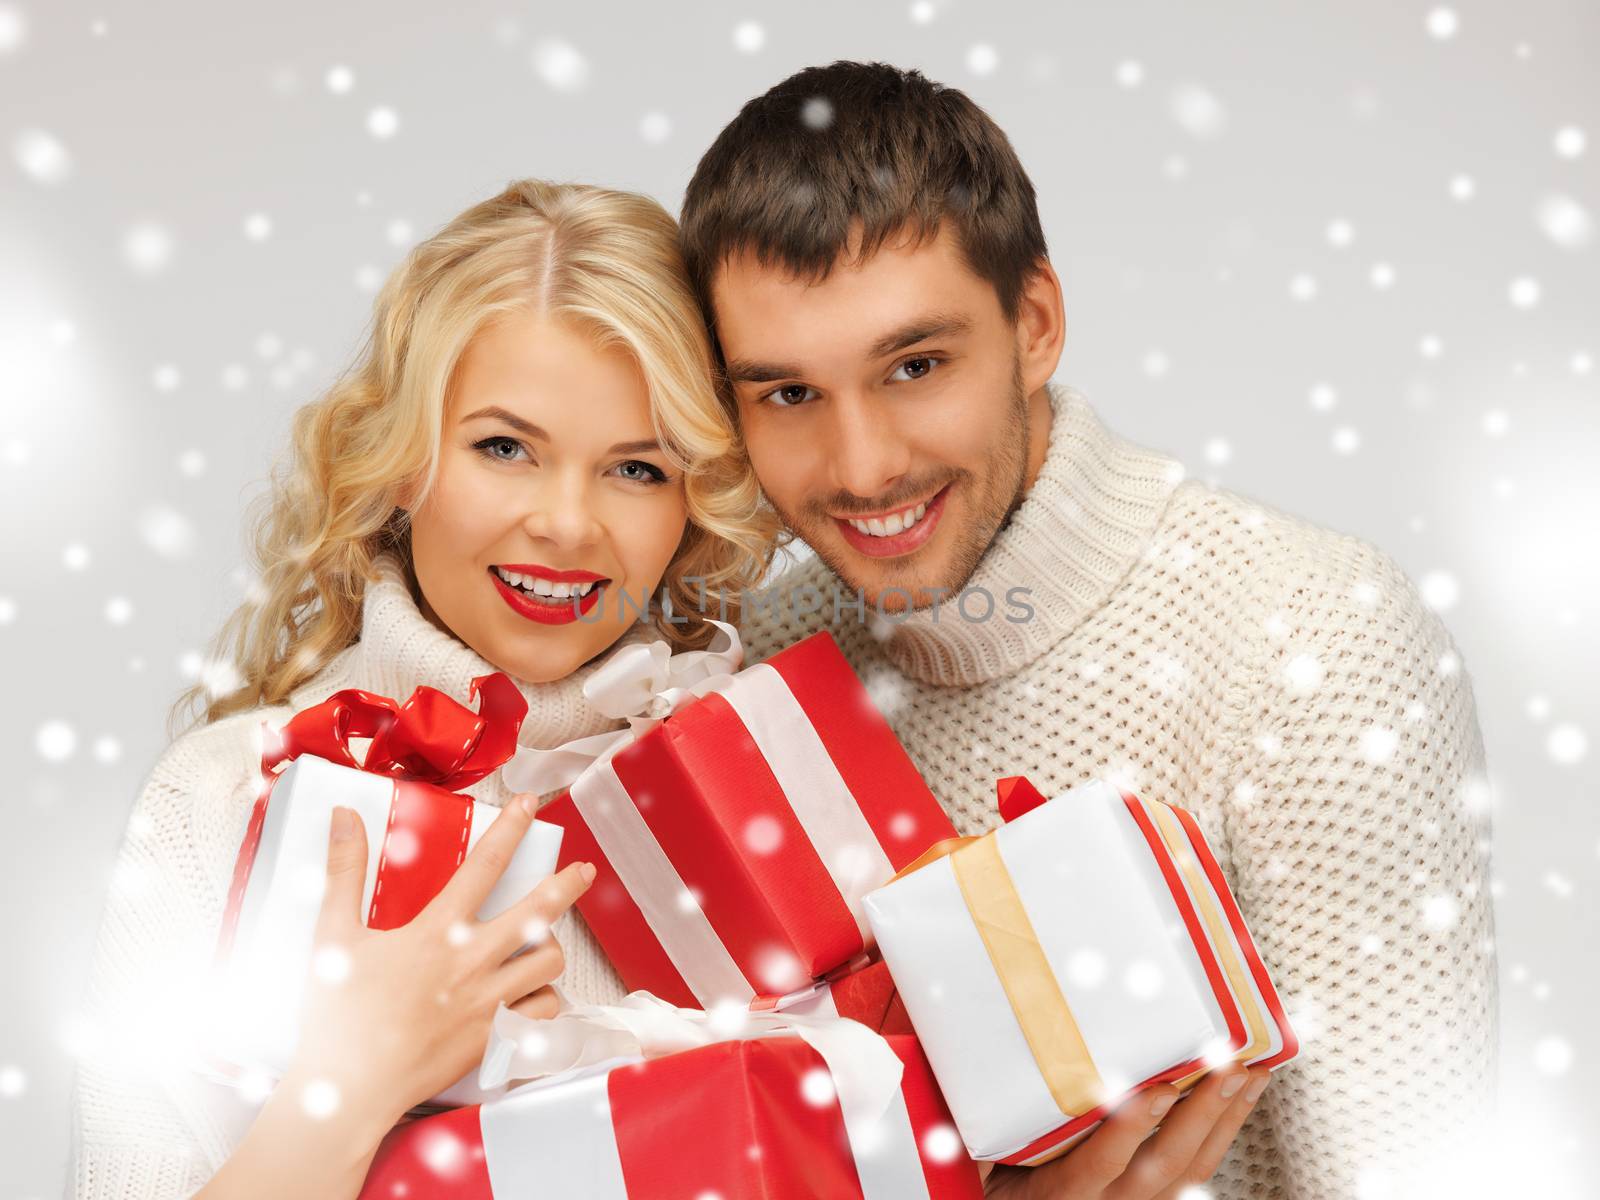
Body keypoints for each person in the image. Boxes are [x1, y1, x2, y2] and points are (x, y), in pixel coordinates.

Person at [680, 62, 1497, 1198]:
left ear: (1034, 325)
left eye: (915, 366)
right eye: (787, 394)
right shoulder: (761, 672)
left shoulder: (1306, 641)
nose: (861, 466)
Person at [67, 179, 776, 1199]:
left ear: (692, 504)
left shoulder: (748, 784)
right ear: (403, 460)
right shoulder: (220, 795)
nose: (568, 523)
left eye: (636, 469)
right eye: (503, 447)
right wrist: (352, 1085)